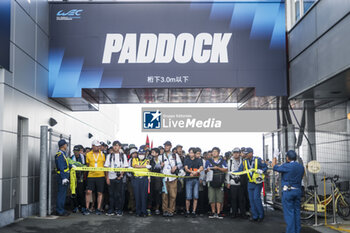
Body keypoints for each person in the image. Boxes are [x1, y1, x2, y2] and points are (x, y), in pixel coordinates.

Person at [272, 150, 304, 233]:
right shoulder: (301, 166)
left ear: (287, 158)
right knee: (297, 212)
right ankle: (297, 230)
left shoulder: (286, 166)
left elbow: (274, 167)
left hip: (288, 192)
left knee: (289, 214)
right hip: (297, 191)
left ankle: (291, 231)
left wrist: (275, 157)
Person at [235, 147, 267, 222]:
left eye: (246, 154)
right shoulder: (244, 161)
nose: (245, 155)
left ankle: (261, 215)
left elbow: (265, 167)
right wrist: (233, 172)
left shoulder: (258, 159)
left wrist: (261, 171)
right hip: (250, 182)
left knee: (256, 199)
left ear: (251, 153)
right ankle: (255, 216)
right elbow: (240, 170)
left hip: (257, 183)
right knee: (251, 200)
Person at [104, 140, 129, 216]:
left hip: (119, 178)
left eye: (117, 145)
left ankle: (119, 210)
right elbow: (106, 168)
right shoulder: (109, 156)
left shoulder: (123, 155)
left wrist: (121, 175)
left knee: (119, 195)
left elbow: (125, 167)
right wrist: (107, 178)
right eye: (114, 145)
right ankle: (111, 209)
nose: (115, 147)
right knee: (111, 195)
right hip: (111, 177)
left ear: (120, 147)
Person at [83, 140, 106, 215]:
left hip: (101, 175)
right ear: (92, 146)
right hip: (91, 175)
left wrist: (106, 176)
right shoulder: (88, 154)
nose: (98, 147)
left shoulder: (102, 154)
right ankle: (87, 208)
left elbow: (104, 165)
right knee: (88, 192)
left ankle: (98, 208)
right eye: (96, 146)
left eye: (99, 146)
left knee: (100, 192)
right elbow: (88, 165)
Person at [161, 141, 183, 217]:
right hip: (164, 178)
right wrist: (160, 165)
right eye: (165, 146)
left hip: (173, 178)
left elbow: (180, 165)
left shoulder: (175, 155)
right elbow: (156, 167)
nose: (166, 147)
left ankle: (171, 210)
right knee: (164, 195)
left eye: (167, 146)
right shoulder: (161, 156)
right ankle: (165, 210)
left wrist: (176, 167)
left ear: (170, 146)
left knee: (173, 195)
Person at [205, 147, 228, 219]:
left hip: (220, 181)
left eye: (216, 151)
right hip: (211, 181)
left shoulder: (222, 161)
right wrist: (208, 170)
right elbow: (205, 171)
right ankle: (213, 212)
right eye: (213, 151)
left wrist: (218, 168)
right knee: (211, 197)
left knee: (219, 198)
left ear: (218, 153)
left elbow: (226, 169)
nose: (214, 153)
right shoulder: (208, 161)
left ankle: (218, 212)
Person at [226, 147, 247, 218]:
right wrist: (228, 182)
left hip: (241, 182)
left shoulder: (243, 161)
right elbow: (227, 172)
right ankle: (234, 213)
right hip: (233, 181)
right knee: (233, 198)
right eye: (234, 153)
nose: (236, 154)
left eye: (237, 153)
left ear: (239, 153)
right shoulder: (230, 161)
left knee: (242, 199)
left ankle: (242, 213)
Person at [132, 145, 151, 217]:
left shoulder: (147, 160)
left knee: (144, 196)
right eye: (140, 154)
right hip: (136, 179)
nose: (141, 155)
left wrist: (144, 167)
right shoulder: (134, 160)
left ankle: (144, 211)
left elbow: (147, 168)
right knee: (137, 195)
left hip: (144, 179)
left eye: (142, 154)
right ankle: (138, 211)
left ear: (145, 154)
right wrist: (144, 166)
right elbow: (135, 166)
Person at [184, 148, 203, 217]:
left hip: (196, 179)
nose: (190, 154)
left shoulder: (199, 160)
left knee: (195, 196)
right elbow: (186, 168)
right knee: (188, 196)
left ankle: (194, 211)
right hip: (188, 179)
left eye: (192, 153)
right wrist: (192, 172)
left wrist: (196, 172)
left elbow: (201, 168)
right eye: (190, 152)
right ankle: (187, 211)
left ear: (195, 154)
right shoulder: (186, 159)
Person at [55, 139, 72, 216]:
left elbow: (66, 165)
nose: (67, 146)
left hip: (65, 176)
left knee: (63, 193)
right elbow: (61, 167)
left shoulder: (63, 154)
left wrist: (72, 166)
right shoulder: (60, 155)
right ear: (63, 145)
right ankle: (59, 211)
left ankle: (61, 209)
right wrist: (63, 178)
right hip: (62, 177)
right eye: (66, 144)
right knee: (61, 194)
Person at [71, 145, 86, 213]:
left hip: (81, 177)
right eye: (74, 151)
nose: (75, 153)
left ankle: (82, 206)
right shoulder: (71, 158)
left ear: (79, 151)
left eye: (77, 151)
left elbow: (86, 166)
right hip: (73, 177)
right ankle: (75, 206)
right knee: (74, 192)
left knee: (81, 193)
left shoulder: (83, 158)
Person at [149, 148, 163, 215]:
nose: (152, 154)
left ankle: (157, 208)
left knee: (158, 194)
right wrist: (160, 166)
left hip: (158, 179)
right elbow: (151, 168)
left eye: (153, 152)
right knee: (150, 194)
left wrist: (160, 166)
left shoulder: (161, 160)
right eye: (151, 152)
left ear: (157, 153)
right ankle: (149, 208)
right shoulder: (150, 160)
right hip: (151, 178)